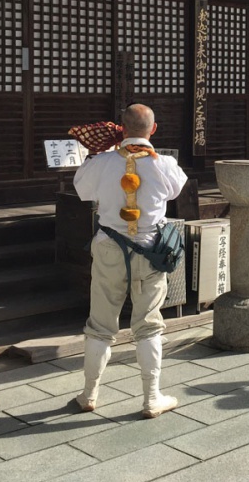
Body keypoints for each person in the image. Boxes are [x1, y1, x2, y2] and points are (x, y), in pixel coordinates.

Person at [72, 103, 188, 417]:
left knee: (100, 325)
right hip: (151, 249)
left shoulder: (102, 161)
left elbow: (80, 189)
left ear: (120, 129)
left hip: (110, 246)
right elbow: (177, 190)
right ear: (154, 129)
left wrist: (103, 152)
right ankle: (152, 398)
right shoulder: (165, 163)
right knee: (149, 325)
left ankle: (88, 394)